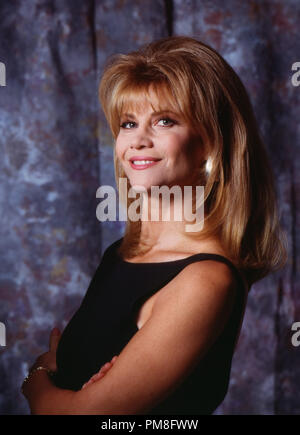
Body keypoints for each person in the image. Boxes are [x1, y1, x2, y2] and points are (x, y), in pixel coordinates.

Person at [21, 36, 287, 415]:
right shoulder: (123, 253)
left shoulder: (206, 278)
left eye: (165, 120)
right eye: (129, 123)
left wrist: (37, 382)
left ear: (209, 144)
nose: (138, 140)